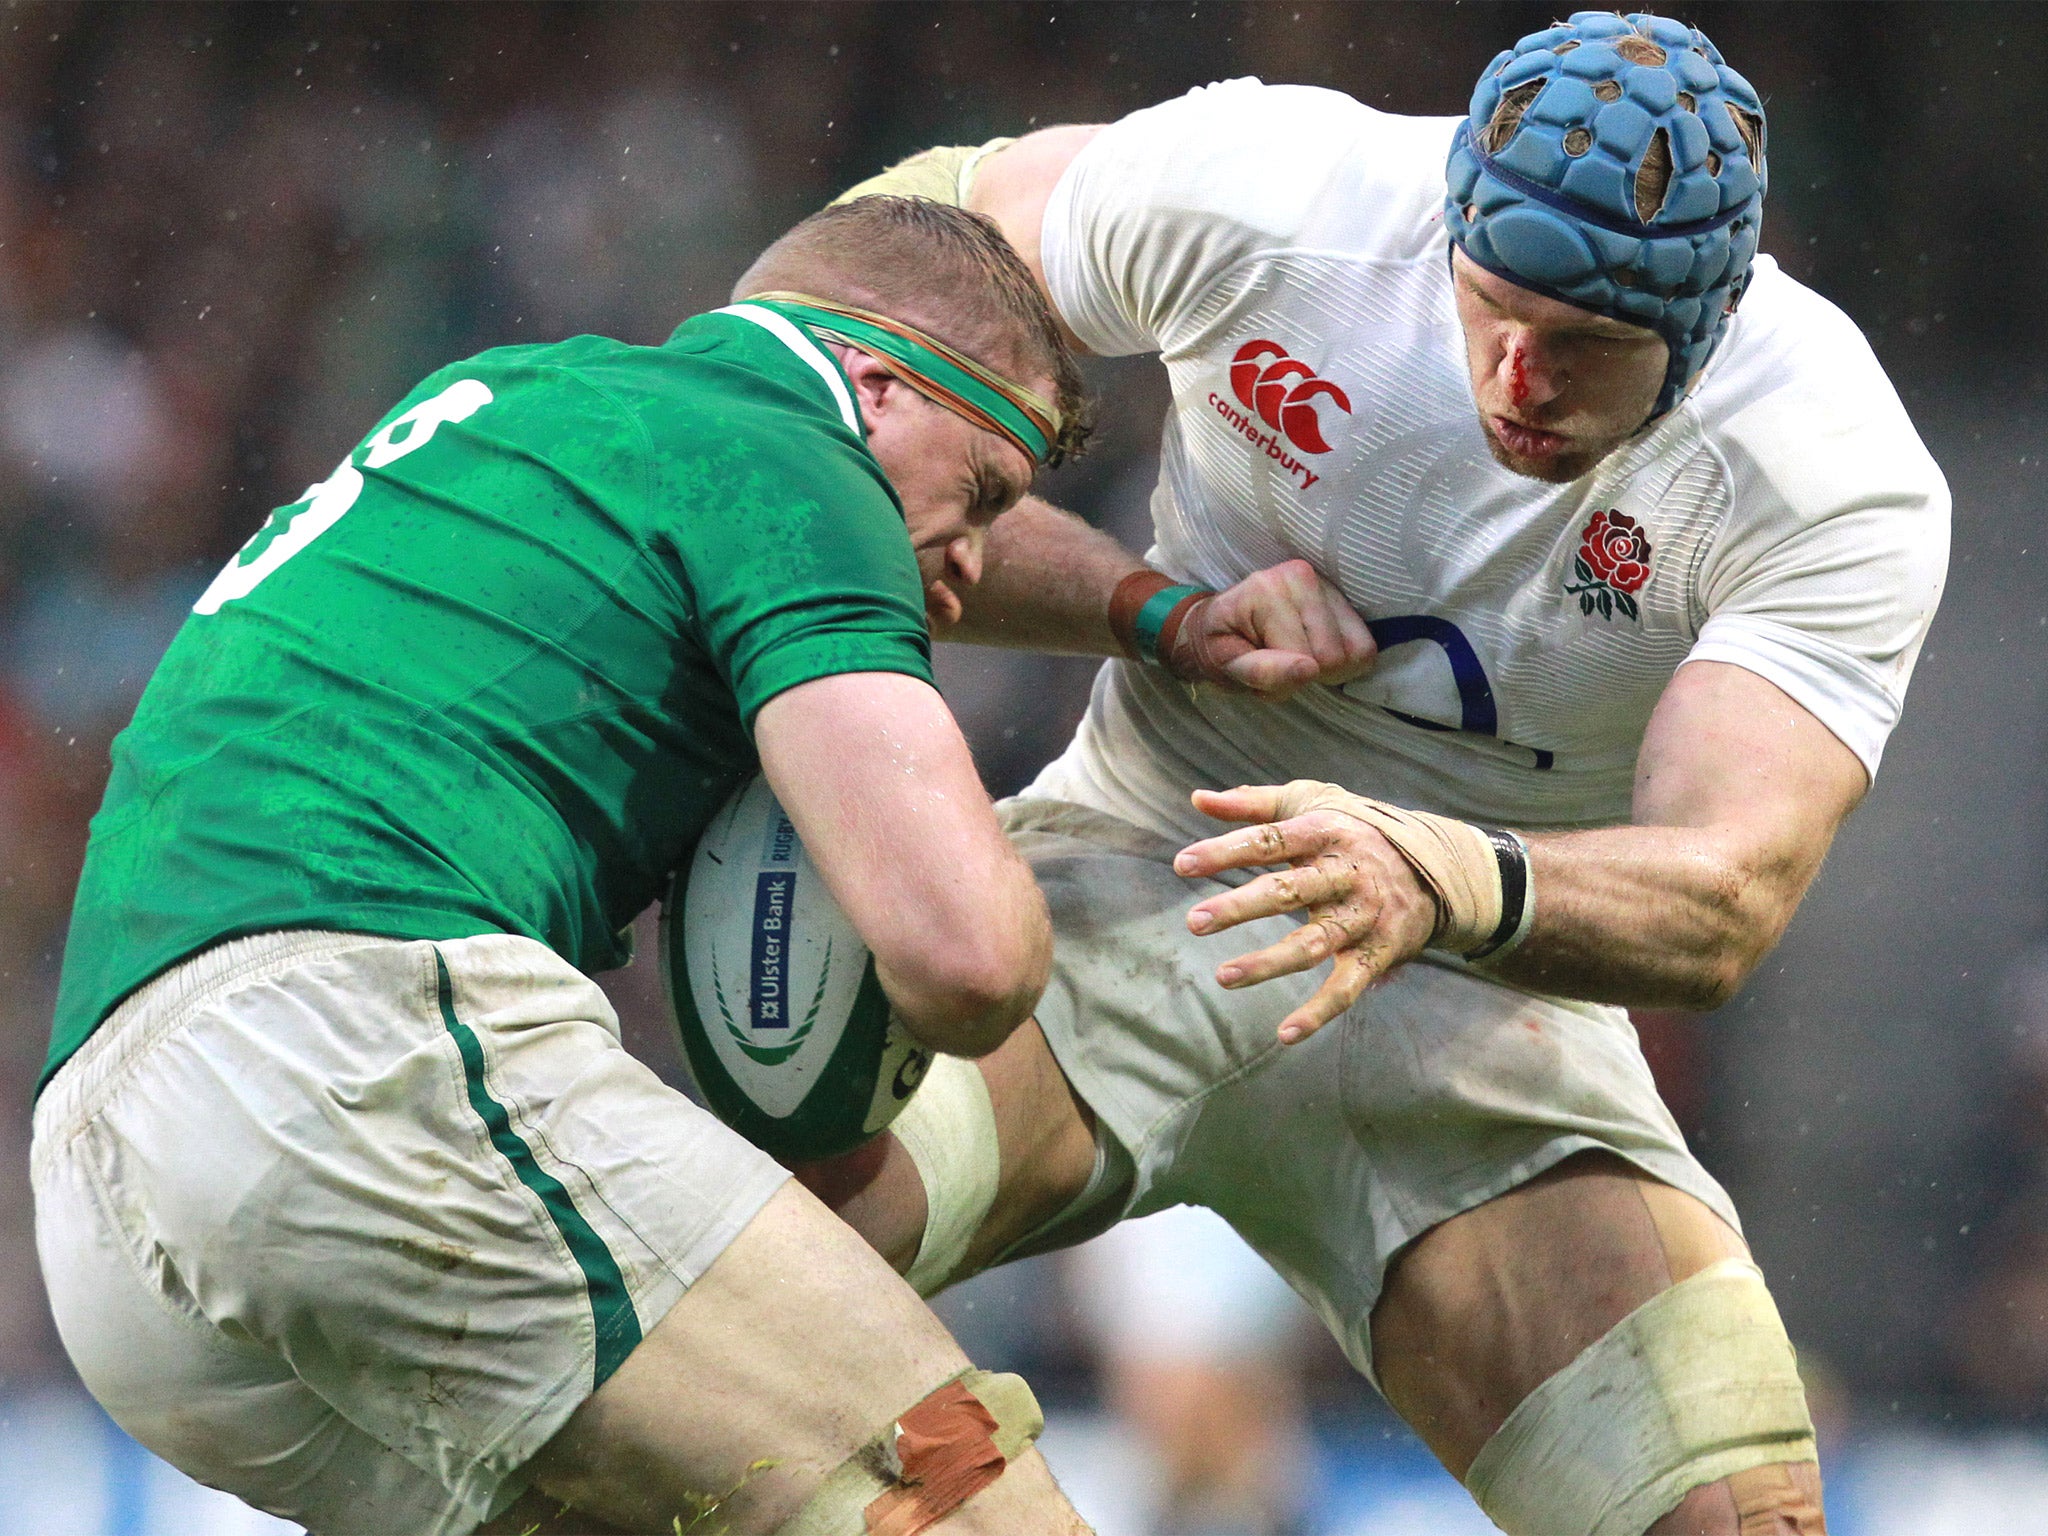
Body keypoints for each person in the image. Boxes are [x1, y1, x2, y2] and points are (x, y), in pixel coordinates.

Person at [804, 12, 1950, 1535]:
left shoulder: (1828, 468)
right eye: (1492, 309)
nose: (1521, 377)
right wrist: (1154, 608)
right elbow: (855, 282)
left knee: (1727, 1519)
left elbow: (1725, 891)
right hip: (1139, 866)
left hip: (1487, 1001)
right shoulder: (1284, 196)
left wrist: (1435, 874)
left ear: (1708, 323)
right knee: (753, 1277)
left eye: (1588, 349)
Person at [31, 196, 1112, 1536]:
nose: (963, 573)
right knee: (958, 1490)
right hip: (355, 1051)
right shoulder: (792, 456)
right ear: (878, 388)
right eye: (984, 497)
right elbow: (968, 959)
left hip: (102, 1183)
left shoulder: (515, 397)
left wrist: (1152, 611)